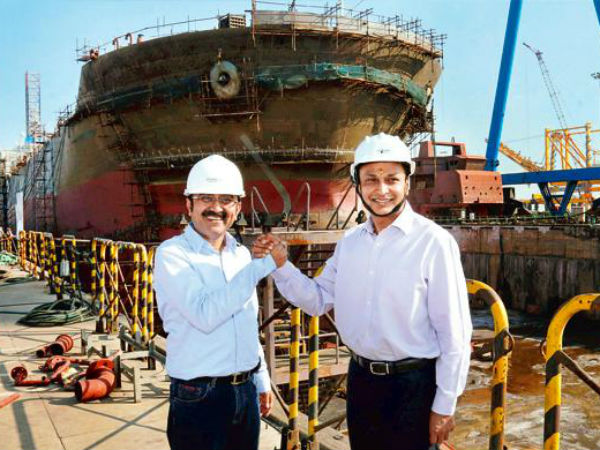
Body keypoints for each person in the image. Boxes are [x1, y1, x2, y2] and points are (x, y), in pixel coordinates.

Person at [253, 133, 472, 450]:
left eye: (391, 179)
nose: (381, 190)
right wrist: (281, 265)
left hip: (414, 386)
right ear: (357, 185)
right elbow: (317, 300)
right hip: (361, 380)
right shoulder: (350, 243)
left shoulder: (433, 243)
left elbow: (455, 333)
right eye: (371, 180)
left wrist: (445, 404)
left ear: (407, 183)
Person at [154, 154, 276, 450]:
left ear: (238, 207)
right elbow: (204, 315)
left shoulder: (241, 255)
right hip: (199, 395)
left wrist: (261, 378)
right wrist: (262, 267)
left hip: (245, 390)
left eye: (226, 199)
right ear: (189, 205)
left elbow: (247, 323)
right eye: (206, 198)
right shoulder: (172, 254)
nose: (216, 207)